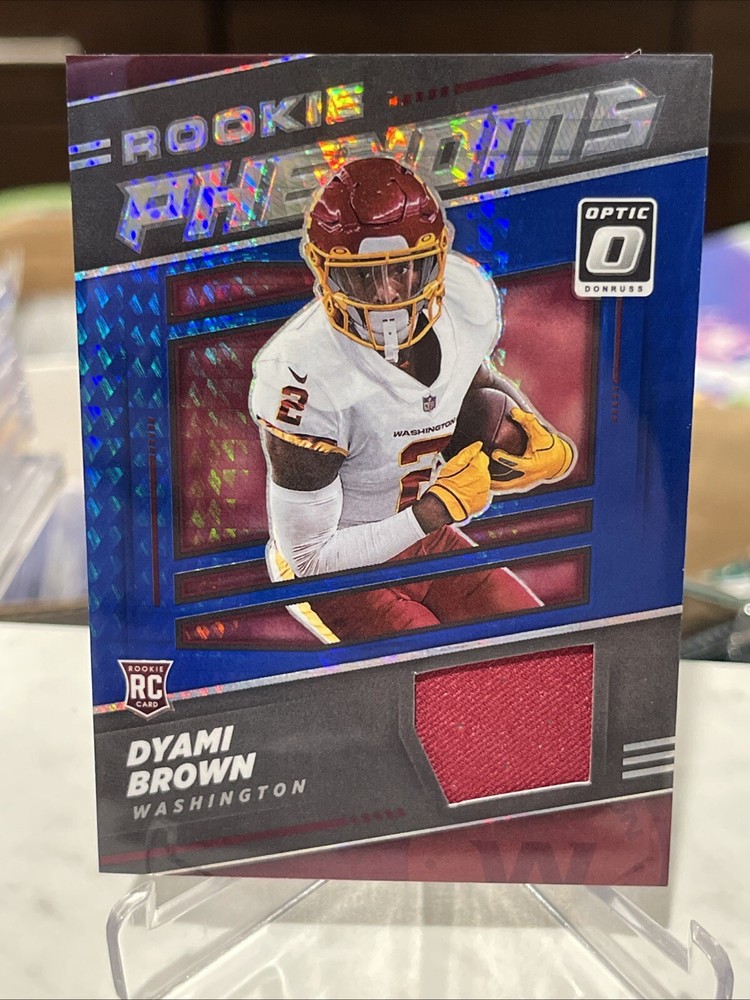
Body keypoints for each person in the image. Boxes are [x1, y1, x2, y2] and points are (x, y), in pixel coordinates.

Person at [249, 156, 574, 643]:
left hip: (422, 539)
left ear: (435, 261)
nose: (386, 295)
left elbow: (471, 381)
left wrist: (536, 434)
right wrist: (435, 509)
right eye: (362, 276)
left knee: (531, 640)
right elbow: (309, 558)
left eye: (402, 269)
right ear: (325, 272)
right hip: (335, 573)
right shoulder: (303, 374)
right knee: (437, 667)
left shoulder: (464, 301)